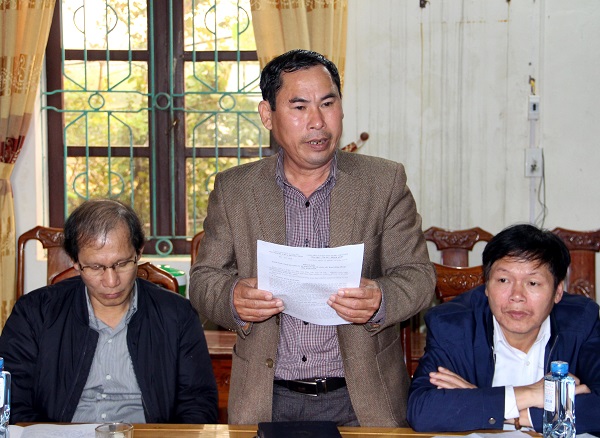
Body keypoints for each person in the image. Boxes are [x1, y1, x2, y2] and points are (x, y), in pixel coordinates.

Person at [188, 49, 436, 427]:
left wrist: (380, 299)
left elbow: (418, 276)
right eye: (299, 107)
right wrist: (233, 297)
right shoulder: (234, 190)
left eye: (328, 103)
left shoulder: (383, 182)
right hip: (266, 399)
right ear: (267, 115)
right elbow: (204, 280)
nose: (317, 121)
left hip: (363, 401)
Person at [0, 199, 218, 424]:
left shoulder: (178, 315)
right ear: (75, 262)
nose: (111, 281)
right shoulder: (34, 313)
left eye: (122, 264)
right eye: (95, 267)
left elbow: (198, 403)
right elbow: (11, 401)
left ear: (139, 252)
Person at [407, 224, 600, 433]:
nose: (517, 296)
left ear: (558, 291)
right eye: (503, 280)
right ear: (486, 285)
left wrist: (502, 410)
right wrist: (529, 394)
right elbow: (422, 410)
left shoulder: (582, 321)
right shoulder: (452, 325)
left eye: (532, 283)